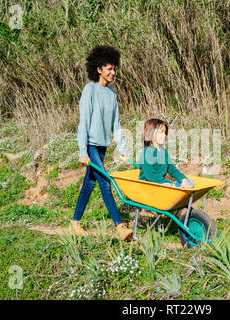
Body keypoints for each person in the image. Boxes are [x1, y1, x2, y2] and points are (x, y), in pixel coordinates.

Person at [71, 45, 133, 241]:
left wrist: (122, 149)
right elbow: (84, 123)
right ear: (99, 69)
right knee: (105, 181)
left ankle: (75, 222)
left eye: (114, 69)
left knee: (90, 182)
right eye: (109, 69)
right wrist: (83, 150)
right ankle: (119, 226)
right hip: (90, 144)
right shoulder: (90, 90)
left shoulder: (112, 94)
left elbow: (116, 123)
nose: (113, 72)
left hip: (103, 144)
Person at [138, 118, 194, 188]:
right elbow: (151, 176)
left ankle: (178, 190)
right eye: (161, 132)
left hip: (161, 184)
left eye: (165, 132)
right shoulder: (147, 153)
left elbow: (172, 170)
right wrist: (170, 183)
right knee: (167, 185)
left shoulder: (163, 152)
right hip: (150, 185)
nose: (164, 135)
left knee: (190, 181)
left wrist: (183, 180)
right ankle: (175, 191)